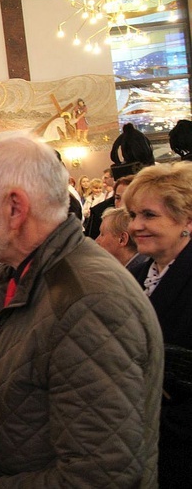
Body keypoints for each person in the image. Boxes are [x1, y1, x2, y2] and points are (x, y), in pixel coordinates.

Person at [0, 137, 163, 488]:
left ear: (15, 209)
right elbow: (26, 396)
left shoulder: (88, 304)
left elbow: (102, 476)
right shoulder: (25, 277)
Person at [124, 162, 192, 489]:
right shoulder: (136, 274)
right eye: (133, 215)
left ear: (187, 220)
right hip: (139, 440)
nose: (136, 225)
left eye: (149, 215)